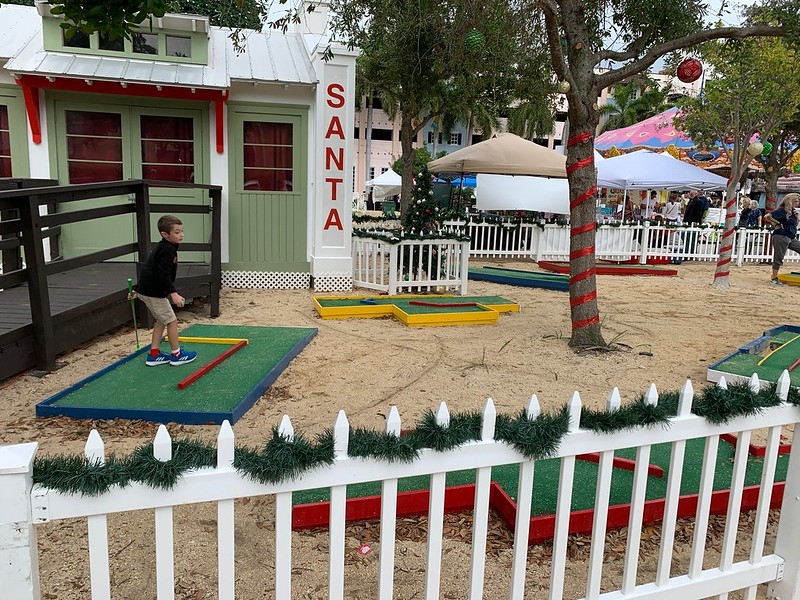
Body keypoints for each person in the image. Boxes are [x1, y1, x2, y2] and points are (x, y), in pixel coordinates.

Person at [130, 215, 197, 366]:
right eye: (177, 232)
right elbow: (162, 274)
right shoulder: (167, 250)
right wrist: (173, 294)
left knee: (161, 320)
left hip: (150, 291)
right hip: (154, 293)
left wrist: (138, 290)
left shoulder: (165, 248)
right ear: (165, 234)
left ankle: (154, 354)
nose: (181, 235)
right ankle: (176, 354)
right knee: (171, 321)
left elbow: (149, 269)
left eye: (182, 231)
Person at [764, 193, 800, 285]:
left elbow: (794, 225)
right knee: (779, 257)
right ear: (790, 201)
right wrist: (777, 223)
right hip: (781, 236)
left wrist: (797, 218)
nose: (797, 203)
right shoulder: (782, 210)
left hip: (790, 236)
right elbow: (767, 216)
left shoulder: (792, 212)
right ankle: (774, 277)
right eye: (795, 201)